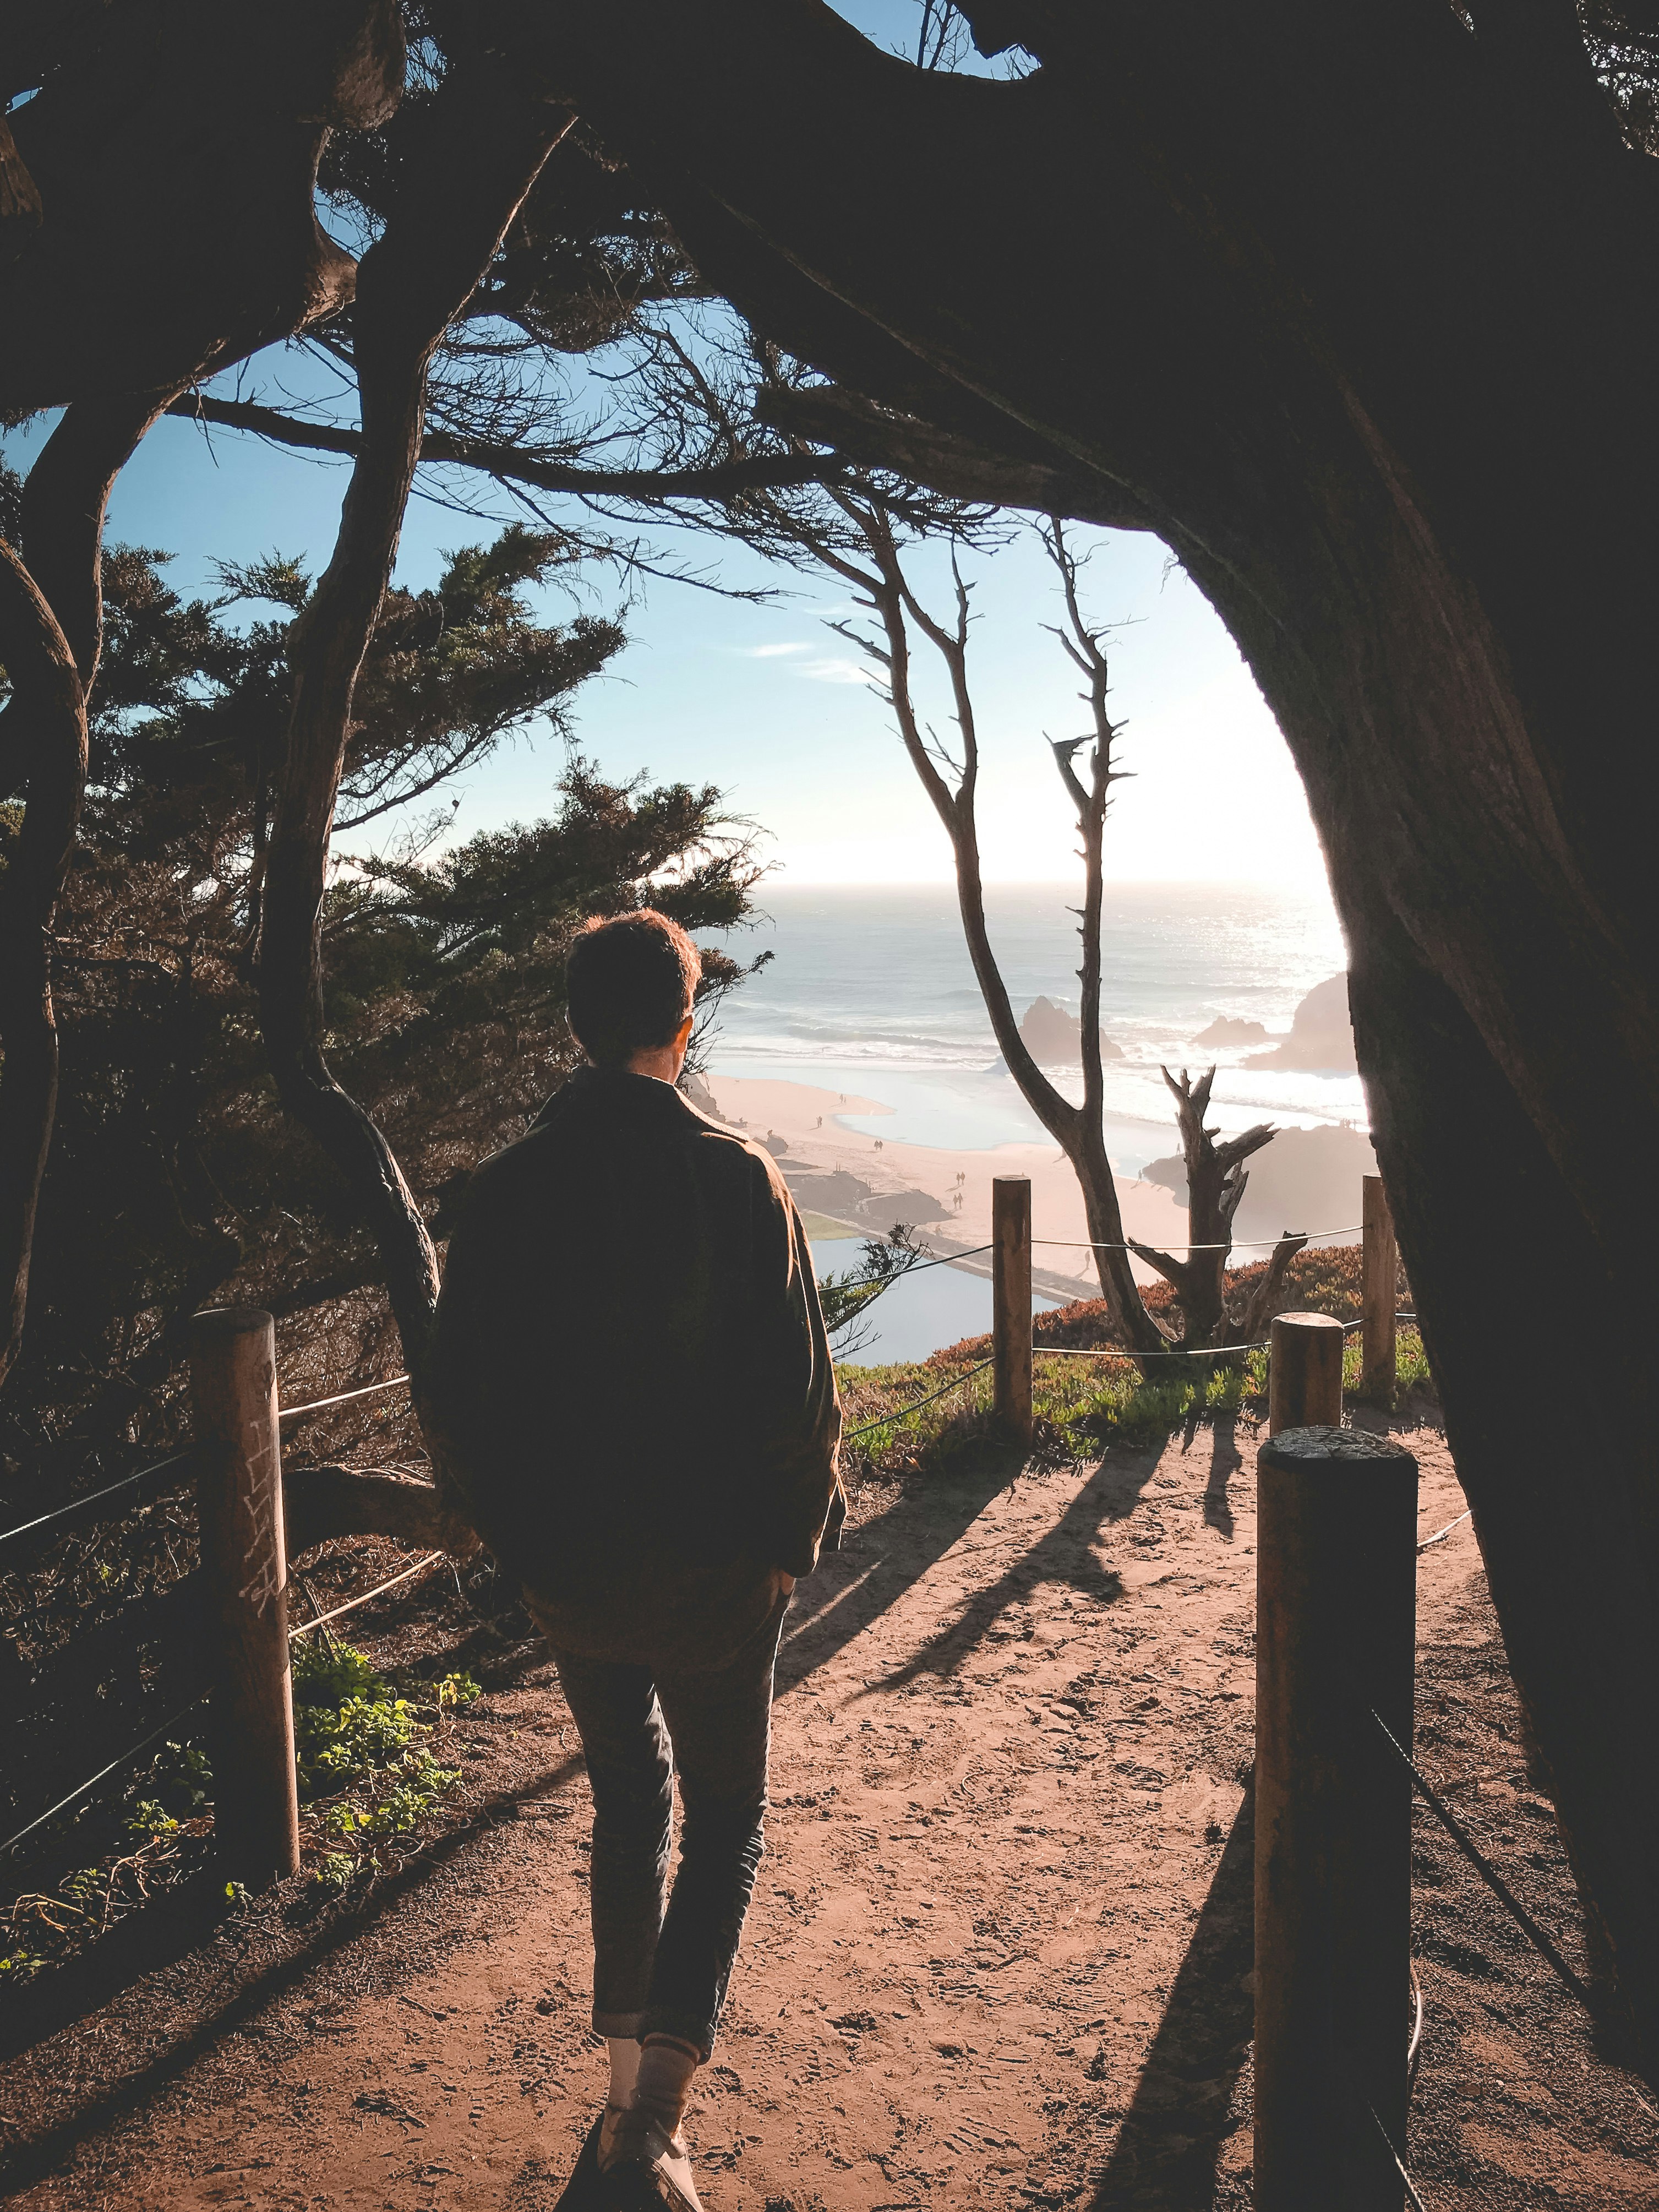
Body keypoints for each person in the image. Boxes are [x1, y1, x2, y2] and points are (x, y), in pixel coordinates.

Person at [427, 909, 842, 2211]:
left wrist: (519, 1546)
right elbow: (800, 1395)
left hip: (573, 1574)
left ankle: (619, 2098)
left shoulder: (498, 1191)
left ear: (574, 1024)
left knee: (629, 1799)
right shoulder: (737, 1174)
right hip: (720, 1573)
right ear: (684, 1018)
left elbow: (465, 1402)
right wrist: (791, 1543)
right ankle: (653, 2122)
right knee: (726, 1814)